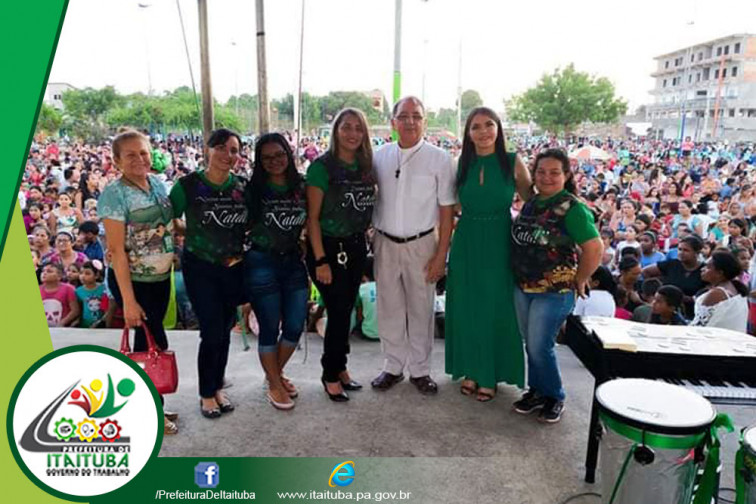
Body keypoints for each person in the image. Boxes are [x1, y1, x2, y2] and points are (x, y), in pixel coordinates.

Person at [444, 107, 532, 402]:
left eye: (489, 124)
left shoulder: (512, 161)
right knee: (466, 306)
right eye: (476, 127)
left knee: (495, 307)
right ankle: (470, 369)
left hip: (500, 241)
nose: (483, 132)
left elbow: (533, 201)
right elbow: (450, 205)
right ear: (468, 133)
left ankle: (491, 373)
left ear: (498, 128)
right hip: (466, 240)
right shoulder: (461, 164)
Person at [370, 96, 456, 395]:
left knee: (421, 308)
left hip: (423, 244)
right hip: (385, 242)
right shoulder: (379, 156)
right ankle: (392, 366)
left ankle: (420, 370)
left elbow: (447, 210)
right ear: (393, 122)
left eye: (416, 116)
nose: (410, 122)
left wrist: (441, 254)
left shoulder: (440, 159)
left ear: (425, 121)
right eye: (403, 116)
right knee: (389, 307)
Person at [511, 148, 603, 423]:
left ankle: (555, 395)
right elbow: (517, 171)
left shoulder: (571, 208)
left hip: (554, 291)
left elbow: (594, 248)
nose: (547, 177)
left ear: (566, 175)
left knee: (541, 345)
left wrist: (580, 278)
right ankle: (537, 390)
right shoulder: (532, 201)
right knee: (532, 344)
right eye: (541, 172)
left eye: (554, 172)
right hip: (523, 285)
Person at [99, 128, 178, 435]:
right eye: (130, 154)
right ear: (117, 160)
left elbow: (167, 226)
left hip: (159, 277)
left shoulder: (156, 183)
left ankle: (151, 406)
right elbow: (117, 251)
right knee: (151, 344)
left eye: (143, 152)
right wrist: (129, 302)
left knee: (150, 344)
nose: (139, 159)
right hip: (133, 281)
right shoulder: (114, 195)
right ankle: (149, 413)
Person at [170, 128, 247, 419]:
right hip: (199, 265)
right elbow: (170, 218)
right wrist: (193, 232)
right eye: (223, 148)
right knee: (212, 329)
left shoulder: (241, 187)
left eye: (235, 150)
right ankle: (206, 393)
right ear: (209, 149)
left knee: (225, 329)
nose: (229, 155)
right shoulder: (187, 185)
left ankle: (217, 386)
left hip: (233, 266)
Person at [305, 108, 376, 402]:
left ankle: (341, 367)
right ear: (336, 130)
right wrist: (321, 260)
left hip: (356, 244)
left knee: (345, 308)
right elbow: (313, 219)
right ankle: (330, 374)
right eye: (346, 127)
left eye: (358, 128)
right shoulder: (322, 167)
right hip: (328, 247)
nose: (352, 134)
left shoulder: (365, 165)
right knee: (336, 312)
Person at [243, 133, 308, 411]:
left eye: (279, 155)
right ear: (259, 161)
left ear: (288, 154)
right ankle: (274, 383)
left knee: (294, 324)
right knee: (269, 327)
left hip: (294, 261)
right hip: (261, 261)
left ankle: (275, 375)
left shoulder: (302, 186)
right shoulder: (251, 190)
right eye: (267, 157)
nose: (275, 161)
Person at [642, 235, 706, 319]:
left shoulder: (704, 270)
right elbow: (646, 271)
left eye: (686, 250)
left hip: (691, 313)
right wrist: (654, 291)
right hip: (664, 311)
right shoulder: (672, 264)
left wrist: (689, 299)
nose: (681, 253)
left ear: (696, 252)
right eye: (679, 249)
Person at [691, 250, 749, 331]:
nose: (702, 269)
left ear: (719, 273)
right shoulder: (734, 287)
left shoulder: (717, 293)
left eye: (708, 267)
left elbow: (698, 326)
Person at [39, 263, 79, 327]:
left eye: (49, 271)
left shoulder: (68, 289)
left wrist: (63, 322)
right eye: (43, 271)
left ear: (59, 276)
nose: (44, 273)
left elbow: (75, 310)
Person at [76, 261, 110, 328]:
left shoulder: (104, 289)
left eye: (87, 273)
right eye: (81, 273)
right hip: (85, 326)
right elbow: (79, 310)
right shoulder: (78, 291)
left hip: (101, 326)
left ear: (97, 275)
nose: (83, 276)